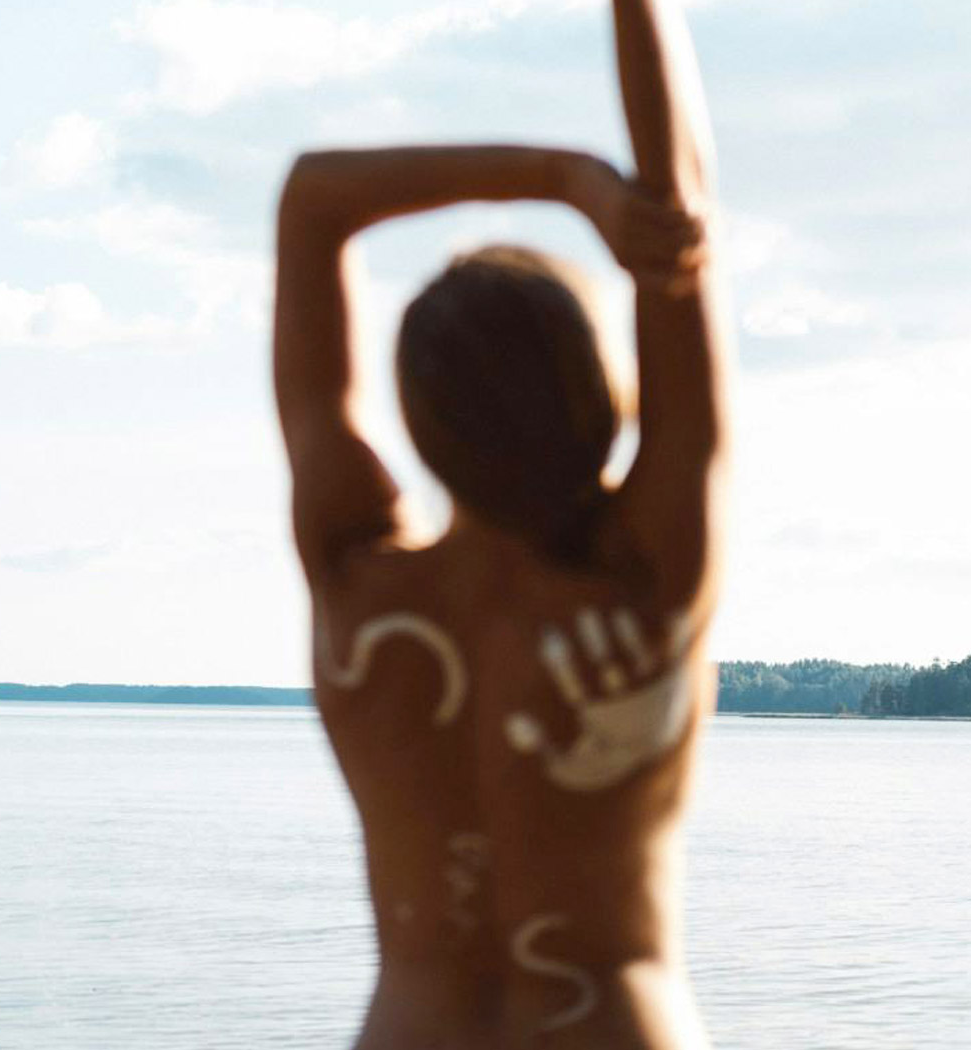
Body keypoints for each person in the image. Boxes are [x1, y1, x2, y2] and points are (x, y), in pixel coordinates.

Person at [272, 0, 730, 1045]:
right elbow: (681, 221)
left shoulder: (357, 578)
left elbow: (311, 199)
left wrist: (563, 178)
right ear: (599, 403)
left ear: (417, 422)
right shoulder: (650, 574)